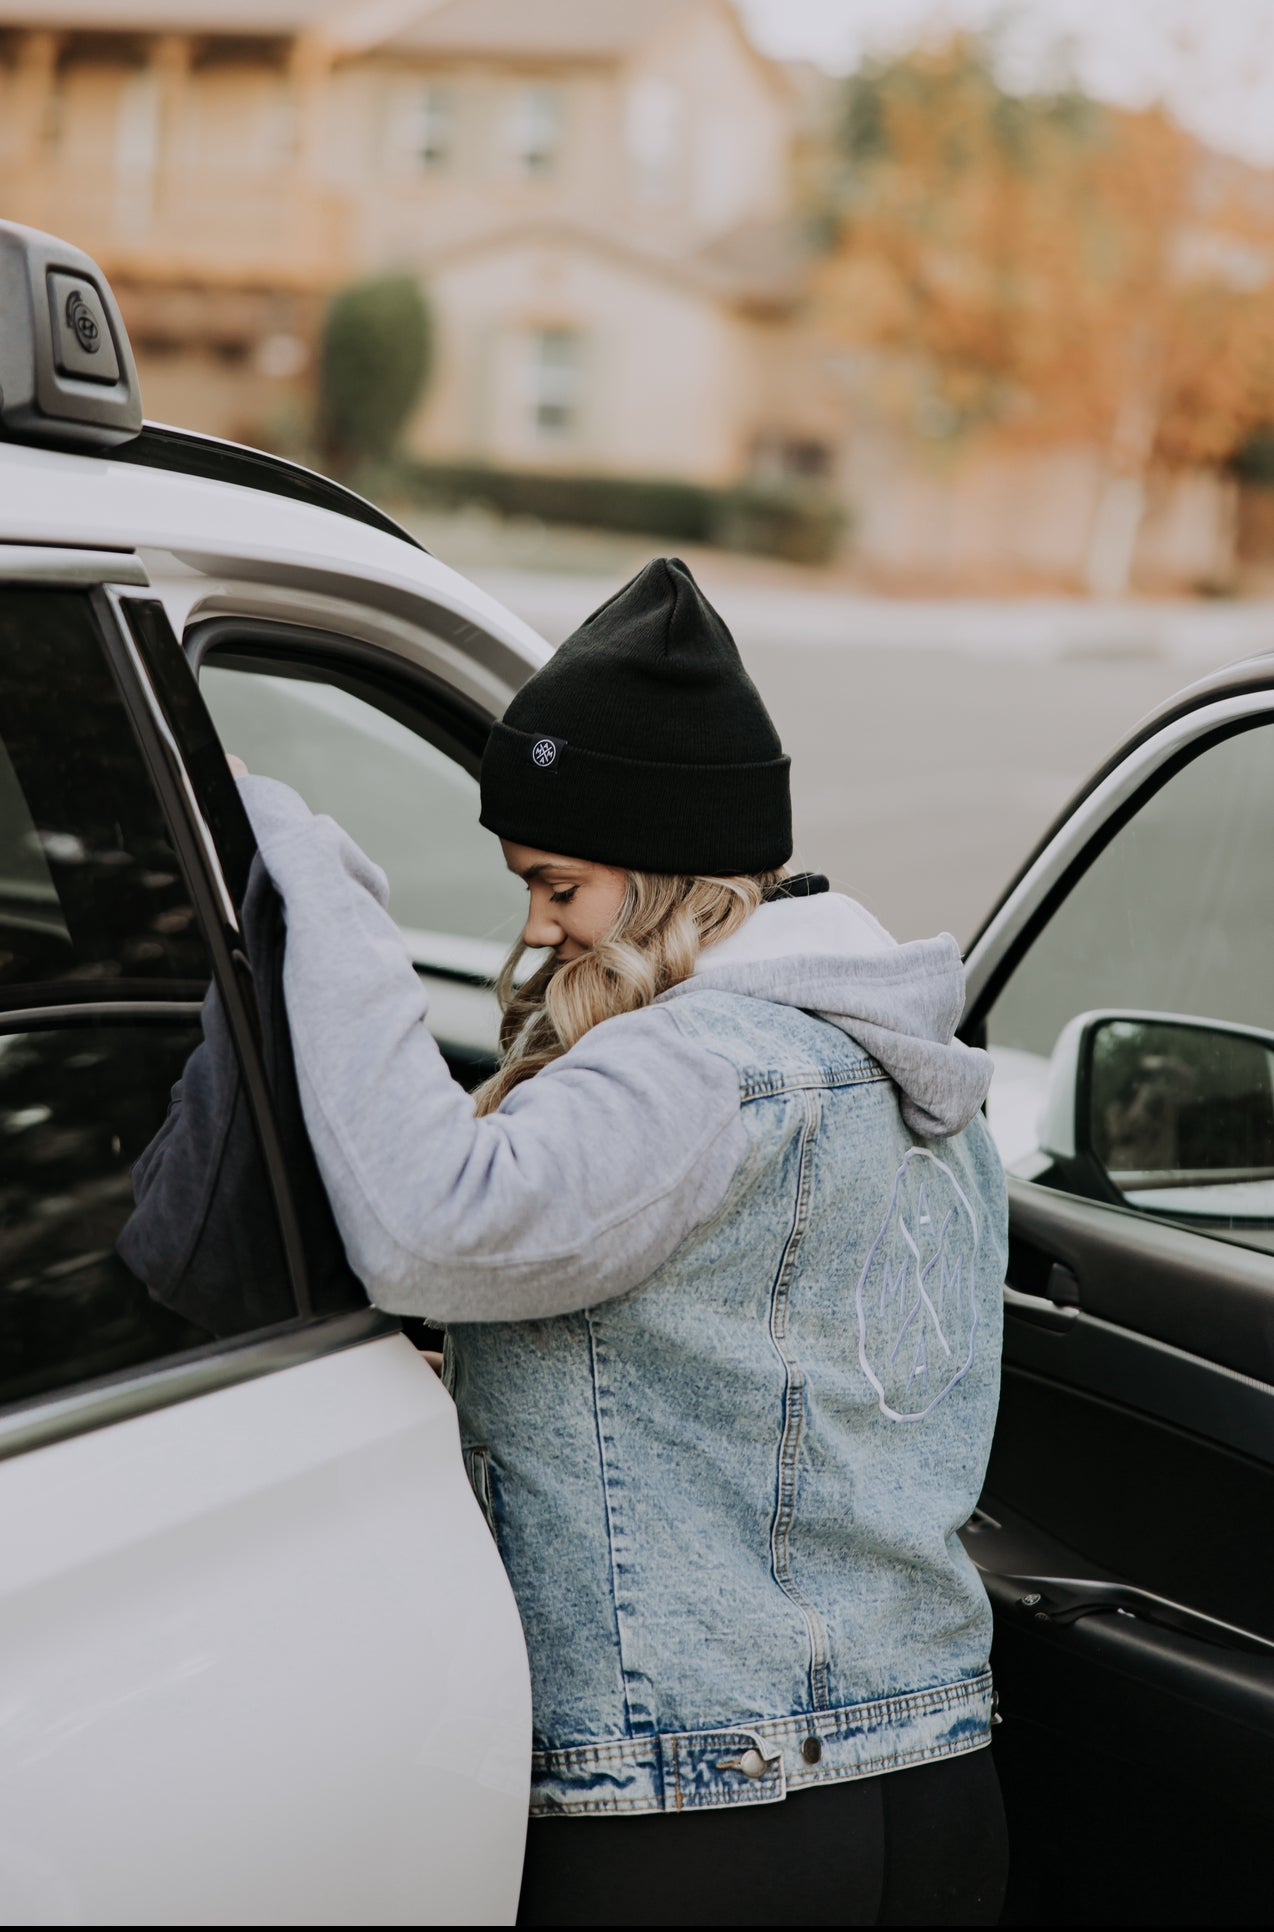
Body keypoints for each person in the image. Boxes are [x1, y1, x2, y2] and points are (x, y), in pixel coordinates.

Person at [236, 557, 1009, 1927]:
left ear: (666, 876)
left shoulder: (692, 1070)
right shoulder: (913, 1072)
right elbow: (746, 1361)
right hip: (931, 1774)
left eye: (561, 885)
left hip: (700, 1809)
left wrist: (318, 884)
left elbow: (432, 1228)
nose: (533, 931)